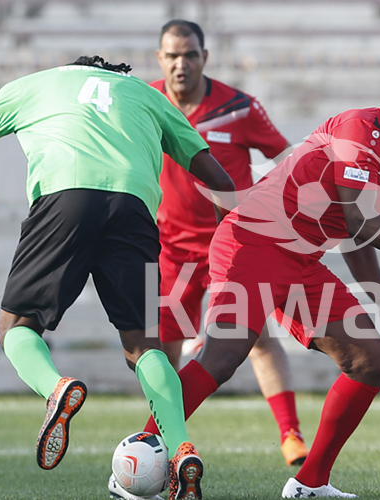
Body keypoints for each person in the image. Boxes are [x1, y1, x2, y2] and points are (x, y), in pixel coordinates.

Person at [167, 70, 380, 498]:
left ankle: (310, 482)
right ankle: (141, 451)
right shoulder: (357, 129)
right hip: (254, 241)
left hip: (298, 260)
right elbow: (359, 219)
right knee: (224, 356)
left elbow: (355, 232)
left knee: (371, 359)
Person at [0, 55, 237, 500]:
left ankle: (56, 387)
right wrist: (224, 244)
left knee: (16, 327)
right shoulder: (147, 95)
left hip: (65, 199)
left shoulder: (32, 86)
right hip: (134, 211)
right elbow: (218, 179)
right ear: (116, 75)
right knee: (143, 346)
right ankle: (180, 449)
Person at [130, 18, 308, 474]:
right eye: (172, 55)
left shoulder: (239, 107)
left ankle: (290, 434)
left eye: (190, 54)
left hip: (232, 245)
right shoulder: (144, 102)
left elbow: (288, 160)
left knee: (259, 339)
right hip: (170, 248)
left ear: (204, 57)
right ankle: (163, 439)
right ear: (159, 59)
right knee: (162, 350)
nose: (181, 63)